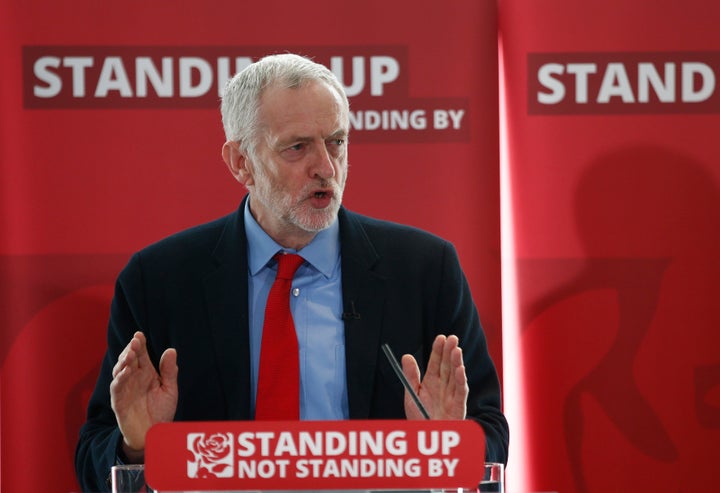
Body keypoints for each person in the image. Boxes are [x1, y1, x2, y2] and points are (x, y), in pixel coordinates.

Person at [75, 53, 509, 492]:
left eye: (336, 141)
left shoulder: (423, 270)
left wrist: (444, 445)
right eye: (297, 147)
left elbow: (491, 432)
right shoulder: (161, 280)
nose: (326, 167)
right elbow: (94, 455)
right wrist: (138, 445)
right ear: (240, 162)